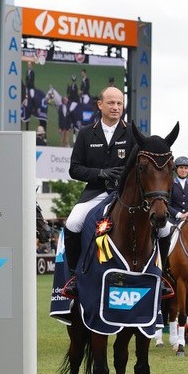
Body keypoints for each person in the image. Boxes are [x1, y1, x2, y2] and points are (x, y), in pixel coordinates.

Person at [60, 87, 135, 296]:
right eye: (111, 103)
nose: (116, 107)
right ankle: (74, 276)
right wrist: (101, 173)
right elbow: (74, 169)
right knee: (73, 223)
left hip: (125, 195)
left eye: (119, 103)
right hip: (95, 193)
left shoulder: (132, 132)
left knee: (163, 227)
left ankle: (161, 275)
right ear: (100, 105)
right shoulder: (85, 133)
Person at [169, 156, 188, 222]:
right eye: (181, 168)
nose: (183, 170)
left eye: (186, 168)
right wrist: (179, 215)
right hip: (173, 218)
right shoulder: (170, 184)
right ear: (176, 169)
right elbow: (167, 204)